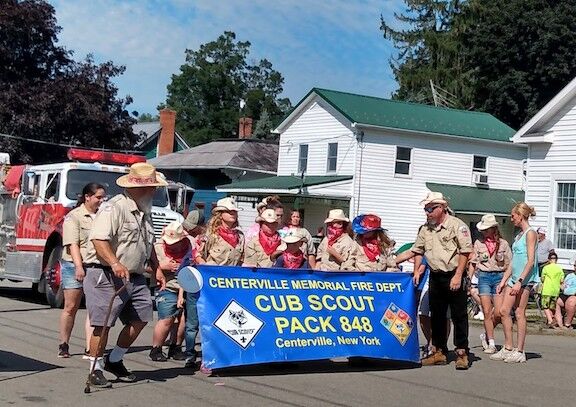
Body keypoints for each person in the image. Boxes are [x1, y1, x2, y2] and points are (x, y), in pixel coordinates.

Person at [83, 162, 166, 388]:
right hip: (106, 274)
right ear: (140, 188)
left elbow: (147, 245)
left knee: (141, 318)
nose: (155, 191)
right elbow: (99, 240)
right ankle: (95, 368)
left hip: (135, 276)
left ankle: (115, 359)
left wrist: (156, 267)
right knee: (103, 324)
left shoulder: (144, 210)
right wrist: (115, 262)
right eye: (153, 187)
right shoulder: (115, 207)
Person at [411, 192, 472, 370]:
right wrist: (416, 270)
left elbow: (465, 251)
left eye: (430, 209)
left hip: (453, 273)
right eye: (426, 209)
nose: (427, 212)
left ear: (442, 208)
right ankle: (439, 351)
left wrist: (459, 275)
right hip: (435, 275)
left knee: (458, 314)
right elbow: (418, 250)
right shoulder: (425, 229)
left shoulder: (457, 225)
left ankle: (462, 352)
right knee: (436, 314)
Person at [58, 183, 106, 358]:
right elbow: (73, 244)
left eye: (103, 197)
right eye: (98, 197)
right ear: (87, 197)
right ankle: (64, 344)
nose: (102, 200)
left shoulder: (103, 216)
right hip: (74, 265)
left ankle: (89, 347)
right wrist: (79, 267)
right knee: (71, 306)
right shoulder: (74, 216)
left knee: (93, 308)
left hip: (95, 265)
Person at [490, 202, 539, 364]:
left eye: (513, 216)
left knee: (519, 312)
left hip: (524, 279)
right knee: (504, 311)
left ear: (521, 215)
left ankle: (520, 350)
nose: (512, 219)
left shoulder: (531, 233)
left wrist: (519, 281)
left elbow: (530, 261)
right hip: (513, 278)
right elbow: (514, 261)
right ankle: (508, 346)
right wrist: (504, 280)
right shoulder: (519, 235)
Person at [149, 221, 201, 362]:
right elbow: (144, 267)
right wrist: (161, 267)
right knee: (167, 318)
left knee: (184, 319)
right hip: (166, 285)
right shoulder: (157, 247)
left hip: (186, 286)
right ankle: (156, 348)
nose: (171, 244)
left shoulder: (190, 243)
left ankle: (175, 347)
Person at [468, 214, 512, 354]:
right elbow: (473, 262)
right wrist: (469, 279)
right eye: (483, 230)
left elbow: (509, 263)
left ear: (494, 229)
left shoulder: (504, 244)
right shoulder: (478, 243)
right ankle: (491, 342)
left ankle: (486, 333)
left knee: (498, 312)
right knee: (486, 311)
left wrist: (505, 278)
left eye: (487, 229)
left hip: (499, 276)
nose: (484, 232)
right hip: (484, 276)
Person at [202, 197, 244, 266]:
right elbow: (199, 255)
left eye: (235, 211)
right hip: (213, 274)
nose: (232, 213)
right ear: (220, 215)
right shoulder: (212, 234)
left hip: (232, 275)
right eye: (228, 211)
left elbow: (241, 260)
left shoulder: (240, 236)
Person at [540, 252, 564, 328]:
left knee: (545, 306)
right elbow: (561, 280)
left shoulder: (546, 268)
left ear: (549, 260)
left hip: (547, 290)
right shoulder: (560, 269)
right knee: (552, 307)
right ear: (556, 260)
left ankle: (550, 320)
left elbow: (542, 279)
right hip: (555, 291)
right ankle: (552, 321)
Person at [555, 256, 576, 329]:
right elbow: (564, 284)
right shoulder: (570, 275)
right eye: (575, 265)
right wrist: (562, 286)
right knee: (558, 301)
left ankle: (568, 324)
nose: (575, 267)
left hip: (573, 296)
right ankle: (560, 324)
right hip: (565, 294)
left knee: (571, 302)